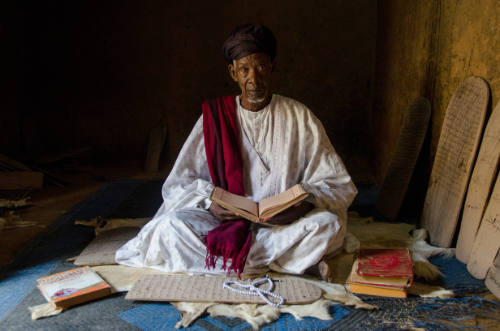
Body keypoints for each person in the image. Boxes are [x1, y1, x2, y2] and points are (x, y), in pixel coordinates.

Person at [115, 23, 357, 281]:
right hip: (222, 223)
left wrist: (303, 203)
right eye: (244, 70)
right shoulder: (214, 118)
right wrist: (211, 204)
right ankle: (284, 261)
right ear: (233, 73)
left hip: (282, 225)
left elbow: (339, 185)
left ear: (273, 67)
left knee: (329, 225)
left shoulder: (300, 117)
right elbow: (177, 186)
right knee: (168, 228)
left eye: (261, 67)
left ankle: (231, 262)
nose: (253, 79)